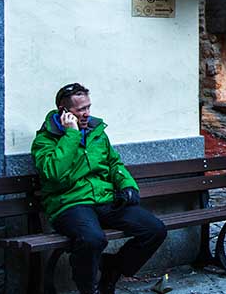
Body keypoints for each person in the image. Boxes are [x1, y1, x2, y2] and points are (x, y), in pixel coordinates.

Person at [32, 83, 167, 294]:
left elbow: (114, 163)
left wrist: (127, 185)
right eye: (80, 109)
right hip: (70, 203)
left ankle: (113, 268)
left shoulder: (96, 132)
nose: (87, 113)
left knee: (155, 230)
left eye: (88, 107)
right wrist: (71, 134)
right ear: (64, 111)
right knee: (93, 239)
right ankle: (88, 289)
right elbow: (53, 173)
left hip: (104, 199)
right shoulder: (45, 139)